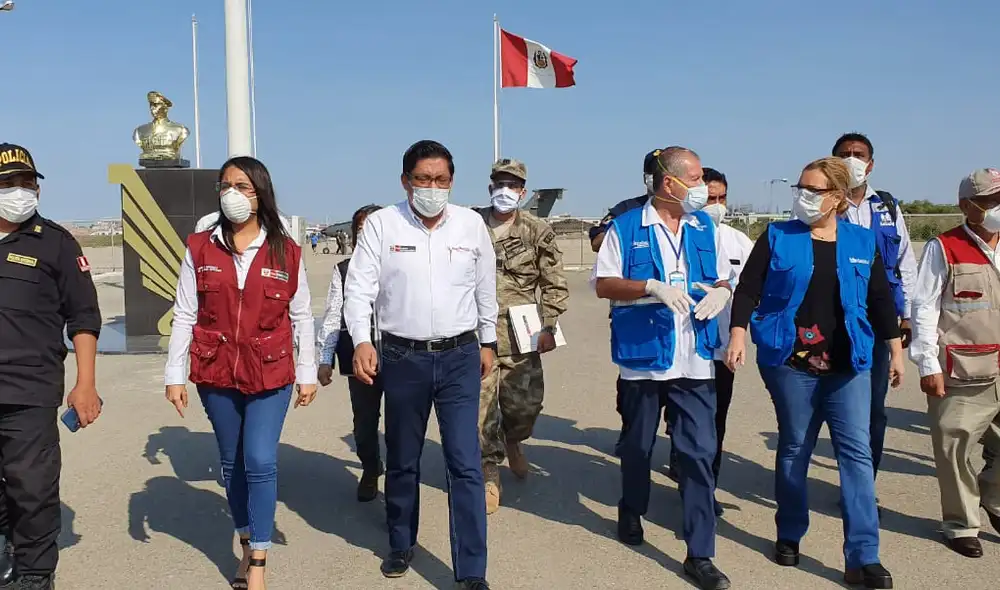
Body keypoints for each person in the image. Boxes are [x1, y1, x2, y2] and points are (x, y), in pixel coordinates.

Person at [726, 157, 903, 589]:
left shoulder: (863, 241)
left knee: (856, 456)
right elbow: (748, 287)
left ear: (838, 198)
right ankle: (789, 532)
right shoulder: (778, 236)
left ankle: (864, 556)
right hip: (792, 363)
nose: (803, 196)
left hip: (850, 364)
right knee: (795, 448)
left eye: (813, 189)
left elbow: (880, 301)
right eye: (800, 188)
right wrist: (737, 335)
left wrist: (896, 353)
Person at [343, 140, 497, 589]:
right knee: (405, 458)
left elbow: (485, 288)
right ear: (405, 181)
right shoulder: (381, 225)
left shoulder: (470, 225)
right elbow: (359, 289)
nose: (433, 188)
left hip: (460, 357)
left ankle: (471, 569)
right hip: (401, 356)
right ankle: (400, 542)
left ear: (452, 181)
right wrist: (362, 341)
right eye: (423, 179)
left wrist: (487, 341)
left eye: (441, 180)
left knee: (464, 462)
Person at [163, 156, 318, 590]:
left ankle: (260, 563)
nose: (233, 194)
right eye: (226, 185)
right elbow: (185, 314)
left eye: (244, 186)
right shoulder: (200, 247)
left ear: (261, 194)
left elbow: (302, 315)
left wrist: (307, 372)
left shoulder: (285, 249)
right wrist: (174, 375)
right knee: (232, 463)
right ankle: (247, 541)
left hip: (270, 371)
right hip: (216, 373)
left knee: (260, 459)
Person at [593, 146, 733, 590]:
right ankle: (632, 508)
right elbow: (603, 284)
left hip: (694, 358)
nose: (701, 186)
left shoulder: (703, 226)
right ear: (668, 182)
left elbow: (721, 277)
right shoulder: (627, 226)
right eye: (693, 177)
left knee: (697, 453)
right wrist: (648, 286)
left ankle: (700, 552)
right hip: (645, 359)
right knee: (637, 447)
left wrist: (723, 293)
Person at [0, 143, 102, 590]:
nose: (20, 191)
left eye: (28, 182)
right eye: (8, 183)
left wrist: (86, 384)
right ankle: (8, 540)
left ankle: (36, 573)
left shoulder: (57, 243)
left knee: (32, 485)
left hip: (29, 388)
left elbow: (83, 316)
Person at [908, 168, 1000, 559]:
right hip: (964, 369)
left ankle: (993, 499)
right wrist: (927, 363)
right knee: (955, 448)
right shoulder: (944, 247)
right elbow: (923, 307)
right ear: (967, 206)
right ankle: (961, 523)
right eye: (993, 201)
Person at [475, 158, 569, 515]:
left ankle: (514, 440)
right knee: (480, 408)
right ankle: (488, 470)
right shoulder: (471, 225)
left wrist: (549, 325)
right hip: (477, 332)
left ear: (523, 191)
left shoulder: (537, 230)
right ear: (490, 188)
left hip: (521, 332)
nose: (505, 190)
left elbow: (554, 283)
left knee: (524, 406)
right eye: (499, 183)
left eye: (512, 185)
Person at [832, 132, 917, 489]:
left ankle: (864, 485)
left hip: (879, 322)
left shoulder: (887, 207)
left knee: (874, 411)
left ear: (871, 163)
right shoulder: (821, 203)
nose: (853, 160)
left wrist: (907, 316)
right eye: (845, 154)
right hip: (834, 319)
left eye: (859, 154)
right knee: (832, 406)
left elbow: (905, 262)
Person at [667, 167, 753, 515]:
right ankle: (681, 459)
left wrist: (740, 334)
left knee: (715, 419)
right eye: (709, 198)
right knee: (683, 419)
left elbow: (751, 290)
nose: (715, 205)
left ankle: (705, 490)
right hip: (683, 346)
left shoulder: (738, 242)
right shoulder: (678, 234)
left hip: (722, 348)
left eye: (721, 198)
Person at [317, 204, 385, 502]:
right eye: (361, 229)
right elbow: (333, 315)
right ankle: (371, 469)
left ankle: (398, 478)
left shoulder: (403, 266)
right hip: (359, 359)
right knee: (365, 421)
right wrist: (324, 359)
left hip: (400, 356)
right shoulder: (344, 270)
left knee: (401, 422)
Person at [588, 149, 659, 252]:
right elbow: (596, 243)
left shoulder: (685, 210)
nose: (661, 178)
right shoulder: (626, 208)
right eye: (655, 173)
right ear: (646, 178)